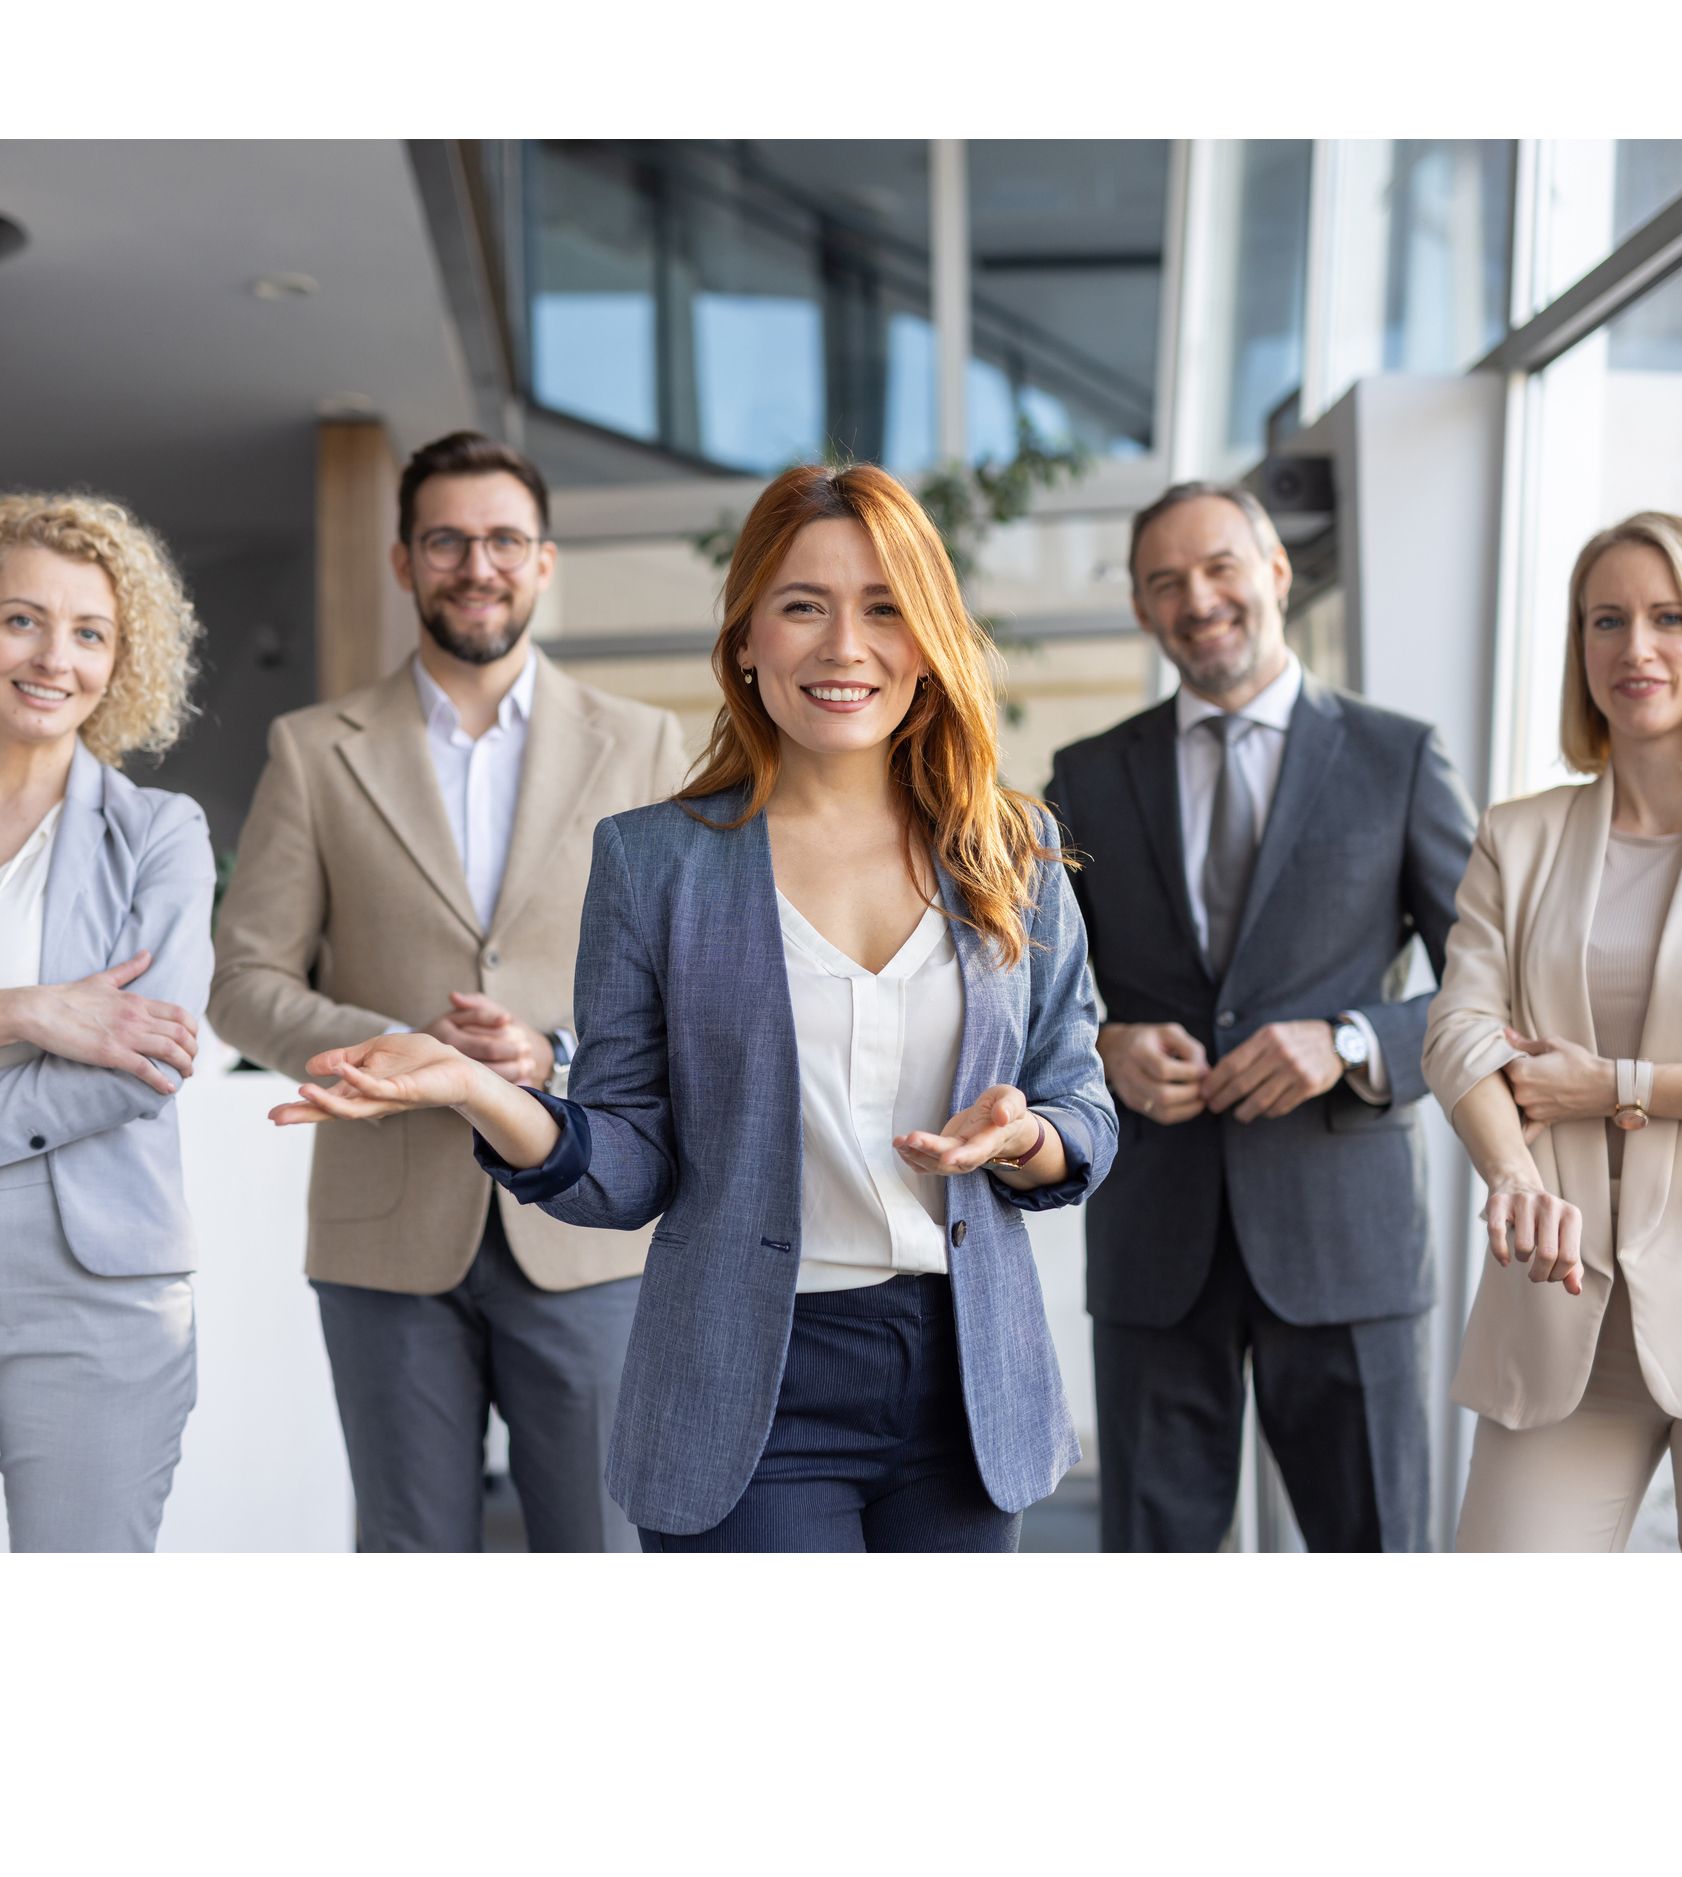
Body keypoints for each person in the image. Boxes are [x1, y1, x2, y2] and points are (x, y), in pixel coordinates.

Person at [270, 461, 1117, 1552]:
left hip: (964, 1379)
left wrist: (1029, 1137)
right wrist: (486, 1091)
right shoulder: (654, 861)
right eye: (801, 605)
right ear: (746, 640)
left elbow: (1078, 1095)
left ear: (930, 637)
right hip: (747, 1386)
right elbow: (629, 1164)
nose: (842, 646)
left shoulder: (1011, 851)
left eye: (883, 608)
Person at [210, 430, 687, 1552]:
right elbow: (244, 983)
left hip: (589, 1223)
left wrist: (554, 1051)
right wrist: (402, 1051)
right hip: (385, 1231)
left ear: (544, 559)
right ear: (402, 560)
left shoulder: (647, 745)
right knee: (411, 1558)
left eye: (503, 539)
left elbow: (689, 991)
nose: (477, 565)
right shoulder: (315, 748)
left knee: (607, 1551)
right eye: (448, 540)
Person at [1046, 480, 1476, 1551]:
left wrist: (1348, 1042)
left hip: (1344, 1239)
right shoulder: (1087, 778)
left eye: (1218, 567)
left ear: (1273, 572)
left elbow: (1490, 981)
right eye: (1164, 582)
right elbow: (1027, 996)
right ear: (1144, 611)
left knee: (1372, 1551)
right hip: (1155, 1238)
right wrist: (1104, 1046)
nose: (1197, 598)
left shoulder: (1396, 756)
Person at [1425, 511, 1682, 1551]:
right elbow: (1456, 1030)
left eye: (1668, 615)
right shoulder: (1517, 834)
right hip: (1563, 1296)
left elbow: (1552, 1070)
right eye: (1604, 620)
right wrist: (1510, 1173)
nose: (1634, 646)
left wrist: (1609, 1083)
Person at [0, 491, 213, 1552]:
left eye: (90, 632)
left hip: (98, 1296)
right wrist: (28, 1011)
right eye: (20, 618)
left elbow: (143, 1064)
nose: (54, 658)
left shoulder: (161, 834)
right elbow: (76, 1043)